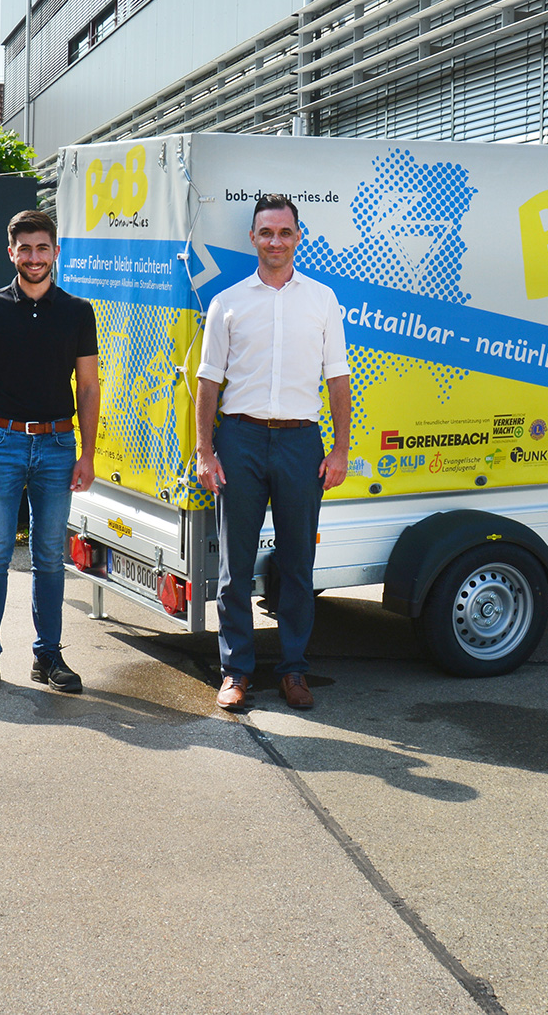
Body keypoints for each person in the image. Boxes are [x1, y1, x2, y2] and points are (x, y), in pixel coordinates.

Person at [195, 194, 352, 712]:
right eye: (266, 233)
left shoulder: (323, 299)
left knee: (297, 566)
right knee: (234, 568)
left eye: (284, 232)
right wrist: (205, 451)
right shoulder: (228, 302)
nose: (275, 242)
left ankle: (294, 670)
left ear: (298, 237)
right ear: (253, 238)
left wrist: (340, 451)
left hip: (300, 442)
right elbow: (208, 382)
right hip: (238, 440)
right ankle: (236, 672)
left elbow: (338, 380)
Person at [0, 209, 99, 694]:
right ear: (11, 252)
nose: (34, 257)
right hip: (0, 443)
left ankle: (48, 656)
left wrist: (88, 453)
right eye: (25, 248)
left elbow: (90, 386)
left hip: (59, 444)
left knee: (49, 557)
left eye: (43, 248)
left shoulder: (78, 311)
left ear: (56, 252)